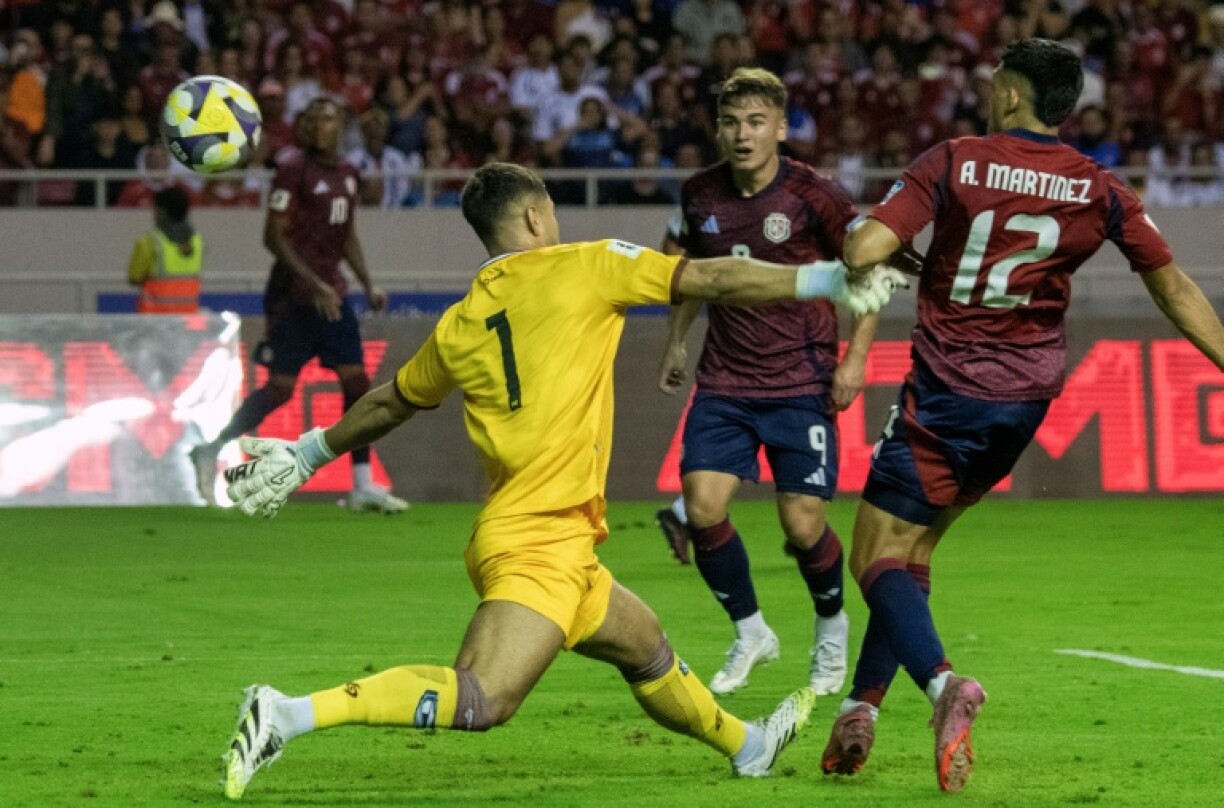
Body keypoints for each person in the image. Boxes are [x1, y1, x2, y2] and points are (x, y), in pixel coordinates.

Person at [217, 162, 907, 800]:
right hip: (537, 540)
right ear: (535, 216)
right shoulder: (588, 265)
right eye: (550, 210)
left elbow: (390, 402)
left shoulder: (461, 322)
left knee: (646, 648)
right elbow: (714, 278)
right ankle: (287, 713)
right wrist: (826, 282)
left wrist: (309, 452)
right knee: (484, 697)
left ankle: (747, 745)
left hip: (552, 535)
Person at [819, 39, 1224, 793]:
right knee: (915, 551)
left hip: (947, 387)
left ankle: (945, 687)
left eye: (994, 81)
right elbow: (1173, 287)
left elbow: (864, 249)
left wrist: (874, 241)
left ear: (1011, 94)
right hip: (1025, 401)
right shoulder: (1099, 187)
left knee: (873, 553)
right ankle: (860, 709)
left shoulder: (955, 160)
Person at [654, 68, 883, 699]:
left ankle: (831, 626)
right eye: (731, 123)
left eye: (756, 122)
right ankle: (751, 631)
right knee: (701, 505)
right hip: (725, 380)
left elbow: (867, 273)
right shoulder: (699, 193)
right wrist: (676, 340)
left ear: (780, 128)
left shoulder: (816, 195)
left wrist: (856, 359)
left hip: (801, 378)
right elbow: (692, 276)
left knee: (802, 525)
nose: (743, 134)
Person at [189, 98, 407, 514]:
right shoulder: (292, 169)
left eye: (328, 119)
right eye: (313, 120)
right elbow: (272, 237)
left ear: (340, 126)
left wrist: (367, 283)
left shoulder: (348, 173)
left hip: (331, 296)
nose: (320, 126)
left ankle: (362, 485)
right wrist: (314, 283)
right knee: (281, 390)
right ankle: (212, 448)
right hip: (292, 296)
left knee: (357, 384)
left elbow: (346, 233)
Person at [127, 186, 202, 313]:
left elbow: (134, 277)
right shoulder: (197, 242)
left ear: (162, 212)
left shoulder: (149, 242)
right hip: (187, 316)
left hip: (155, 318)